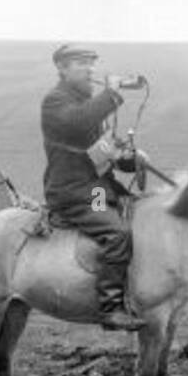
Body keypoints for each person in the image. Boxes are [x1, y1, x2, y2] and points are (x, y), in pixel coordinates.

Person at [40, 43, 144, 331]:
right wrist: (111, 93)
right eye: (81, 64)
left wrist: (130, 160)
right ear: (61, 69)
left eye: (92, 64)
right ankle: (110, 309)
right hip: (73, 192)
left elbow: (100, 152)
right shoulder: (56, 101)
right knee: (118, 232)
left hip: (97, 188)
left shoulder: (85, 103)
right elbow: (78, 122)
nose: (90, 69)